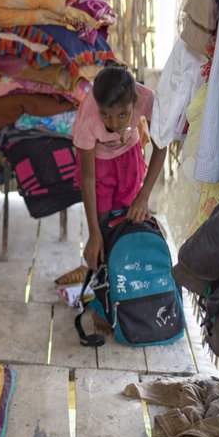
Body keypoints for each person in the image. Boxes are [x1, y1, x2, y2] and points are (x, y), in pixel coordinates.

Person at [72, 64, 167, 329]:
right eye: (107, 115)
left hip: (130, 160)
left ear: (135, 102)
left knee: (128, 223)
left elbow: (161, 145)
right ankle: (105, 298)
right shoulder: (89, 117)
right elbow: (88, 178)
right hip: (99, 167)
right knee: (104, 233)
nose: (114, 123)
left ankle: (129, 291)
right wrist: (94, 233)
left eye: (122, 114)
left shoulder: (146, 98)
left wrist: (143, 196)